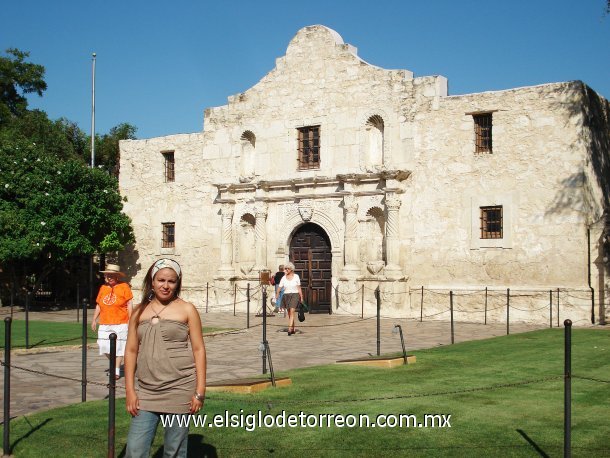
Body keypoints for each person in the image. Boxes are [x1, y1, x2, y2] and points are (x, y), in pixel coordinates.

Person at [124, 258, 206, 458]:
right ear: (152, 281)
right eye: (161, 280)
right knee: (135, 450)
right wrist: (130, 391)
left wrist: (199, 391)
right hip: (146, 391)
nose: (166, 285)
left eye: (171, 281)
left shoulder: (187, 309)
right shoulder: (138, 312)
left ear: (178, 283)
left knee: (175, 451)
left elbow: (198, 349)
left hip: (180, 389)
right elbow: (131, 351)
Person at [92, 264, 134, 380]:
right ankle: (114, 364)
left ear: (117, 276)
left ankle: (115, 370)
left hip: (121, 322)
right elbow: (99, 305)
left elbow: (129, 304)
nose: (109, 277)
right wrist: (94, 319)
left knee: (120, 347)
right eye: (107, 275)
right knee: (102, 345)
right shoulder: (103, 288)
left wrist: (131, 319)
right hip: (105, 322)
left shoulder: (124, 286)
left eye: (111, 275)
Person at [278, 262, 303, 335]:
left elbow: (299, 287)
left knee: (292, 311)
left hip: (295, 295)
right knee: (289, 312)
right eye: (285, 268)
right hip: (286, 295)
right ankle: (293, 327)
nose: (286, 270)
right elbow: (280, 286)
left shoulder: (296, 276)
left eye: (287, 268)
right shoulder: (283, 277)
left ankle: (289, 329)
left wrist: (301, 297)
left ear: (291, 269)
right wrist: (277, 294)